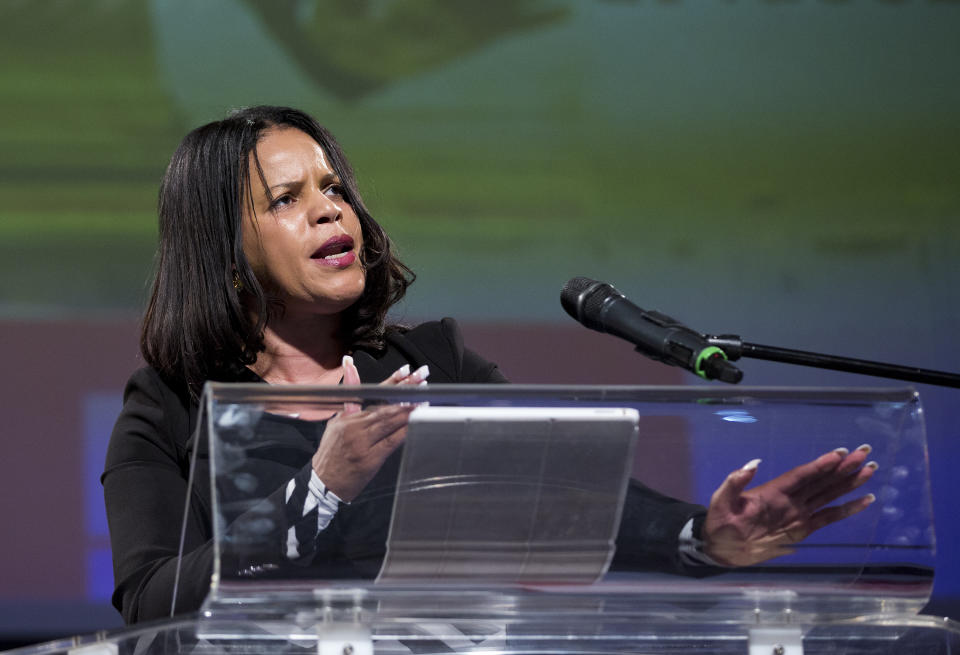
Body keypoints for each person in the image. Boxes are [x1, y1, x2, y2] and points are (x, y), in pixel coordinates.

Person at [103, 106, 878, 625]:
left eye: (334, 187)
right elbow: (148, 598)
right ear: (223, 248)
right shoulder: (169, 405)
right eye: (286, 199)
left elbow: (566, 491)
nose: (330, 209)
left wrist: (704, 536)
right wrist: (322, 487)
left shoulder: (433, 360)